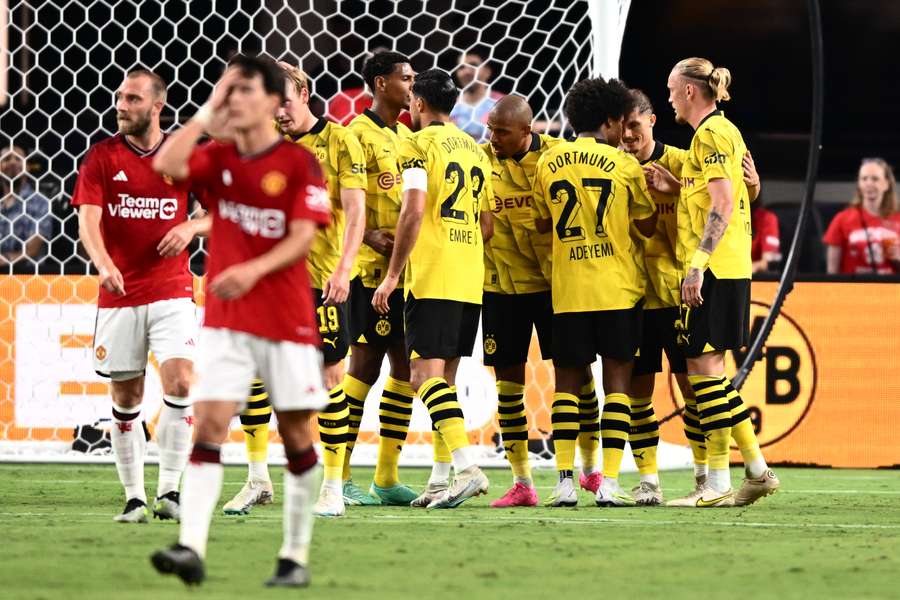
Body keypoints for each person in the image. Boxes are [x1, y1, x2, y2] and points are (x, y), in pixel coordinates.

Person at [149, 55, 330, 587]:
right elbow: (168, 165)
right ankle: (191, 547)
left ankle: (294, 556)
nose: (236, 98)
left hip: (286, 320)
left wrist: (251, 269)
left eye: (246, 89)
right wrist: (207, 110)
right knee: (209, 425)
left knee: (297, 437)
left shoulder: (299, 164)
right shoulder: (220, 156)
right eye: (232, 89)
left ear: (273, 103)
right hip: (227, 321)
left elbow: (302, 236)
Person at [222, 62, 366, 519]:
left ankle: (333, 486)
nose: (277, 111)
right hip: (268, 281)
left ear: (304, 93)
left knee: (327, 378)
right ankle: (257, 478)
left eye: (283, 99)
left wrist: (345, 268)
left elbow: (356, 211)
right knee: (255, 377)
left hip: (322, 280)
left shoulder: (341, 141)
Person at [71, 68, 198, 524]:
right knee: (126, 399)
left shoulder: (184, 155)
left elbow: (220, 212)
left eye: (132, 99)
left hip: (172, 291)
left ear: (157, 105)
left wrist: (190, 225)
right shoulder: (101, 157)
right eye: (120, 98)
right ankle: (134, 497)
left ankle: (170, 490)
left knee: (181, 383)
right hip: (120, 295)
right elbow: (88, 220)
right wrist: (103, 264)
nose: (121, 106)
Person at [532, 77, 657, 508]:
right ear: (609, 120)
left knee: (566, 385)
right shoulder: (623, 166)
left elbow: (543, 223)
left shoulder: (549, 162)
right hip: (617, 288)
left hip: (568, 290)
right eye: (621, 122)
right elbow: (646, 225)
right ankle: (608, 482)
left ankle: (565, 481)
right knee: (617, 384)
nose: (625, 131)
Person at [372, 68, 493, 508]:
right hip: (469, 275)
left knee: (423, 376)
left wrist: (391, 275)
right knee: (446, 379)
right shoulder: (477, 151)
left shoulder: (416, 145)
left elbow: (413, 211)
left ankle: (467, 468)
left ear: (419, 104)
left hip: (434, 273)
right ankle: (441, 480)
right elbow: (488, 225)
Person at [664, 57, 779, 507]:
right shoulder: (722, 132)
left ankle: (743, 475)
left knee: (705, 375)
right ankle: (738, 476)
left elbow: (724, 202)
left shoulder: (710, 134)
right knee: (708, 374)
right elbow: (735, 193)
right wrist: (678, 189)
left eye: (672, 89)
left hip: (717, 267)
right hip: (729, 266)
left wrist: (698, 263)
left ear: (690, 91)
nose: (669, 96)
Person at [479, 96, 601, 508]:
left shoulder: (558, 160)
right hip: (501, 288)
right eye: (491, 129)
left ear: (527, 131)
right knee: (508, 387)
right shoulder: (480, 160)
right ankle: (521, 482)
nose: (492, 138)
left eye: (501, 131)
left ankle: (590, 469)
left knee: (578, 376)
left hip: (555, 287)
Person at [342, 51, 420, 506]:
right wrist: (366, 233)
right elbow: (337, 193)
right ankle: (342, 473)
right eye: (404, 78)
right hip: (369, 275)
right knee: (363, 368)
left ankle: (386, 478)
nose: (412, 85)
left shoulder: (406, 136)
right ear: (380, 83)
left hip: (405, 275)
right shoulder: (357, 134)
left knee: (405, 370)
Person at [824, 158, 900, 275]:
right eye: (864, 179)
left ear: (886, 184)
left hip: (891, 291)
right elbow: (831, 272)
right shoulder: (842, 219)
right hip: (853, 291)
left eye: (875, 179)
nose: (869, 183)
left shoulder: (898, 218)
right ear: (859, 184)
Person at [1, 145, 54, 273]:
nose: (13, 162)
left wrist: (5, 259)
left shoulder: (40, 203)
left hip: (29, 280)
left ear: (27, 167)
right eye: (7, 159)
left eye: (18, 159)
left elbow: (32, 249)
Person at [450, 51, 505, 142]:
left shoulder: (503, 103)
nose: (467, 71)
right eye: (461, 67)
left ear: (487, 71)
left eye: (473, 65)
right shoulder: (449, 107)